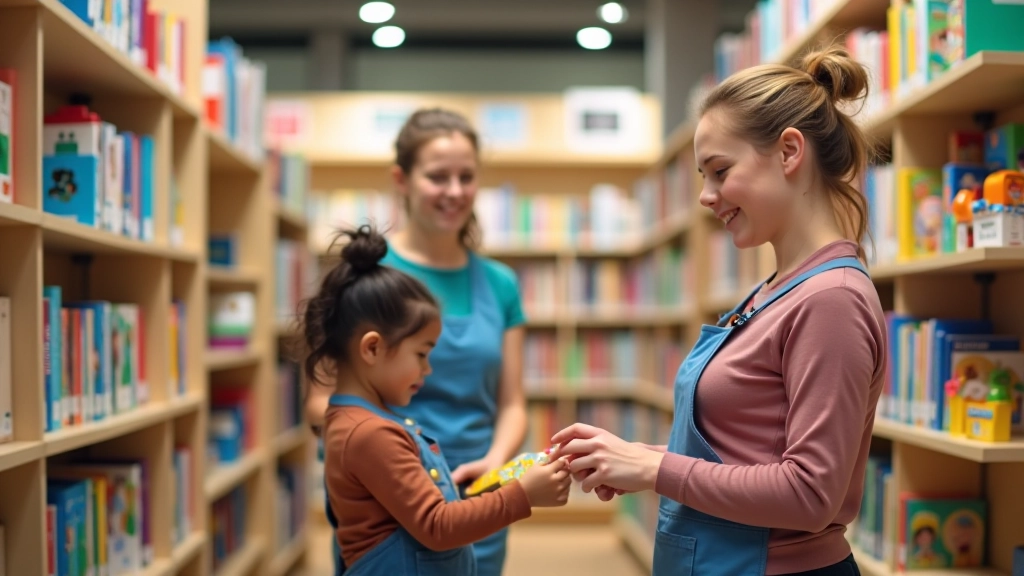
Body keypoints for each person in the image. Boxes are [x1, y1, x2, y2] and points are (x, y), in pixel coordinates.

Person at [550, 45, 888, 576]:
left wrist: (656, 467)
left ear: (789, 152)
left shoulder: (831, 300)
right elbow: (745, 449)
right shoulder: (775, 287)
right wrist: (632, 457)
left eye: (719, 171)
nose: (706, 197)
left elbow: (809, 492)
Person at [299, 225, 571, 576]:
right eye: (422, 355)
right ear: (372, 348)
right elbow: (437, 526)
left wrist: (476, 487)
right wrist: (523, 495)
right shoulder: (371, 434)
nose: (427, 370)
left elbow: (407, 510)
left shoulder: (358, 420)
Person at [380, 107, 530, 576]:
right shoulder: (371, 276)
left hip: (478, 490)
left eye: (467, 177)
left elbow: (512, 403)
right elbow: (324, 400)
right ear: (401, 180)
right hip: (389, 496)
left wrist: (495, 463)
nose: (455, 191)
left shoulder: (500, 284)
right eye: (438, 177)